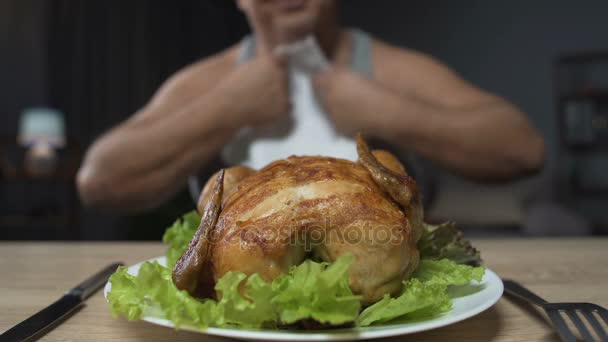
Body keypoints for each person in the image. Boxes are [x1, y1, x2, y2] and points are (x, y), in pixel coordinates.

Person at [77, 0, 545, 213]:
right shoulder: (211, 80)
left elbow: (522, 149)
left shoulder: (388, 69)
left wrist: (385, 110)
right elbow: (100, 180)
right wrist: (227, 107)